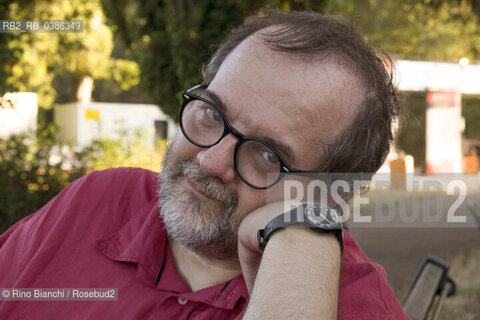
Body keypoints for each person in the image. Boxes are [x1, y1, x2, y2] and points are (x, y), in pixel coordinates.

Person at [0, 9, 409, 320]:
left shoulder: (356, 305)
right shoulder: (99, 199)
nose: (211, 160)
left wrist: (302, 247)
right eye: (213, 113)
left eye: (268, 154)